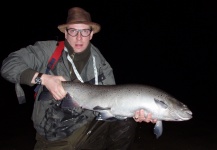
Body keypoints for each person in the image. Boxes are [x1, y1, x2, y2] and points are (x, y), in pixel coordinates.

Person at [1, 7, 156, 150]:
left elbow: (110, 107)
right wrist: (43, 78)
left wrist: (134, 111)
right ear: (66, 32)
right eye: (73, 31)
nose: (79, 37)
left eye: (84, 32)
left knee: (125, 121)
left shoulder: (101, 65)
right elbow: (9, 65)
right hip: (53, 136)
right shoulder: (47, 51)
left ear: (91, 34)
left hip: (87, 128)